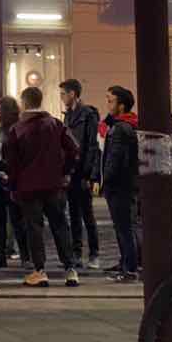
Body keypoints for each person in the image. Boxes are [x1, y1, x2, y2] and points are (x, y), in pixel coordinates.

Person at [4, 87, 80, 288]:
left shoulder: (17, 129)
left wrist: (13, 186)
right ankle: (70, 269)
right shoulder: (56, 124)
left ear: (24, 103)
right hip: (54, 185)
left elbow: (12, 163)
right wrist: (64, 172)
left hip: (28, 187)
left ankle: (40, 270)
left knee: (34, 228)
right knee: (60, 225)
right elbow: (74, 150)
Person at [59, 79, 101, 270]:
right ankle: (77, 253)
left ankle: (94, 254)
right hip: (72, 170)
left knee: (87, 214)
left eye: (63, 94)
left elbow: (92, 146)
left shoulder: (88, 115)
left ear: (72, 94)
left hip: (82, 171)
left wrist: (91, 175)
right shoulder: (68, 116)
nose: (62, 98)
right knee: (74, 214)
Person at [0, 97, 29, 269]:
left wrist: (10, 173)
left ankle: (26, 256)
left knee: (18, 220)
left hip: (12, 179)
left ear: (8, 111)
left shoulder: (16, 129)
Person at [101, 86, 140, 283]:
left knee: (124, 227)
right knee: (127, 226)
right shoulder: (128, 125)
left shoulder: (120, 128)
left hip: (119, 185)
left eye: (110, 101)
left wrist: (105, 180)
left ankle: (130, 268)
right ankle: (127, 262)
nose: (107, 104)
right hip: (127, 183)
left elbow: (114, 158)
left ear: (121, 106)